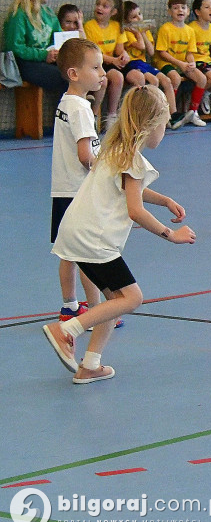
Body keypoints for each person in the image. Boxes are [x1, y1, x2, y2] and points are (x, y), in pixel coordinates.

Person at [42, 85, 195, 384]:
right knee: (132, 297)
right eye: (163, 124)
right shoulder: (133, 160)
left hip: (75, 233)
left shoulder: (114, 150)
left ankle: (90, 364)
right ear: (150, 126)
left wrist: (164, 200)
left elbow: (130, 187)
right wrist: (171, 234)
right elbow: (135, 210)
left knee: (114, 299)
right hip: (94, 241)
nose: (164, 131)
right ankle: (67, 330)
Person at [50, 38, 103, 325]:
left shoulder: (67, 102)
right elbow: (86, 155)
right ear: (74, 74)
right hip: (79, 192)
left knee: (67, 252)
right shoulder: (81, 109)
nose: (102, 73)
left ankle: (70, 306)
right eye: (95, 67)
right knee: (88, 254)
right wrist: (105, 172)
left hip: (62, 189)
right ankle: (96, 310)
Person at [4, 0, 65, 93]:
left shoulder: (48, 13)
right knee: (63, 78)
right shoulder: (19, 14)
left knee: (75, 72)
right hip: (25, 63)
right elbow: (14, 47)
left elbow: (58, 37)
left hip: (45, 59)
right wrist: (43, 55)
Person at [155, 0, 208, 128]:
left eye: (183, 8)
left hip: (183, 64)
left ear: (188, 11)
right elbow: (162, 53)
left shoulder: (190, 30)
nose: (180, 10)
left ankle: (192, 113)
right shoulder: (165, 28)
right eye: (175, 8)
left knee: (202, 79)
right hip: (165, 63)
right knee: (175, 78)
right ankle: (169, 115)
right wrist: (180, 64)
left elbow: (189, 52)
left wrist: (192, 63)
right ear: (169, 12)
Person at [121, 1, 177, 120]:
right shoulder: (129, 32)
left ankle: (172, 115)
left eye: (140, 14)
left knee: (167, 81)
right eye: (134, 17)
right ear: (127, 21)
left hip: (144, 63)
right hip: (133, 64)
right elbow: (141, 46)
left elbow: (151, 52)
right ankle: (154, 114)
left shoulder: (144, 32)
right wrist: (139, 33)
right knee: (154, 81)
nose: (139, 18)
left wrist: (144, 34)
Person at [83, 0, 131, 123]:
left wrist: (123, 55)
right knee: (102, 81)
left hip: (108, 63)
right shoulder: (89, 26)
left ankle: (111, 116)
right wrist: (114, 60)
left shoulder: (116, 26)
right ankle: (93, 116)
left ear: (113, 11)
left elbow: (119, 49)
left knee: (118, 77)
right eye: (98, 4)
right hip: (94, 63)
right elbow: (93, 52)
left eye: (105, 6)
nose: (99, 8)